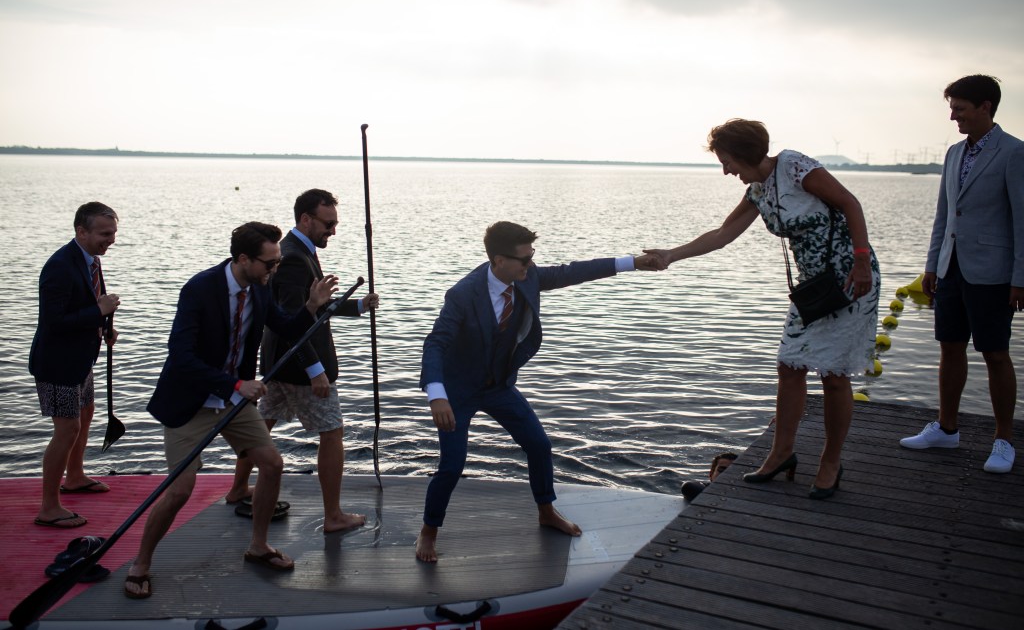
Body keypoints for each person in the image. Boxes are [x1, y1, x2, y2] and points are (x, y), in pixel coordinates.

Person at [645, 119, 880, 499]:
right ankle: (781, 453)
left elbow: (850, 203)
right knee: (789, 366)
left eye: (727, 161)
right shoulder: (758, 189)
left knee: (834, 376)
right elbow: (723, 234)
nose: (726, 170)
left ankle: (830, 462)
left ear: (744, 153)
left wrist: (862, 259)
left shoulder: (794, 166)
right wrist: (671, 254)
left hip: (851, 279)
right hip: (812, 289)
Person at [415, 221, 664, 562]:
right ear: (499, 261)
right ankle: (428, 532)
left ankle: (546, 511)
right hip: (458, 392)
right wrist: (437, 395)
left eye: (532, 256)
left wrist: (633, 262)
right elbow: (435, 343)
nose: (530, 264)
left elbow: (573, 272)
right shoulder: (463, 294)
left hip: (499, 386)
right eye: (524, 259)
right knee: (452, 465)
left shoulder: (527, 277)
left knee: (539, 445)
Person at [124, 222, 339, 599]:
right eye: (269, 264)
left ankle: (258, 546)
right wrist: (236, 385)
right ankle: (140, 564)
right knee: (180, 491)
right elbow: (181, 356)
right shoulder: (200, 289)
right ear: (243, 259)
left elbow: (287, 327)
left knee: (272, 464)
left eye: (277, 263)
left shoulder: (260, 287)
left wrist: (311, 305)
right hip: (192, 400)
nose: (274, 270)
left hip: (234, 401)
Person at [229, 189, 378, 532]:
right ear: (306, 219)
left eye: (336, 224)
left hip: (277, 362)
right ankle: (333, 516)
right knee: (332, 432)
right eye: (328, 224)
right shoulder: (295, 258)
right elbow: (295, 319)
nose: (333, 231)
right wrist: (316, 371)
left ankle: (238, 488)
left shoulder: (296, 250)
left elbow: (313, 305)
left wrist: (357, 306)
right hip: (299, 366)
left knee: (261, 425)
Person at [900, 75, 1023, 473]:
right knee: (949, 347)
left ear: (986, 106)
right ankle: (947, 428)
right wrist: (931, 265)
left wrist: (1020, 278)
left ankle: (1004, 440)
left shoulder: (1014, 152)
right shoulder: (954, 153)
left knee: (995, 353)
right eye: (952, 109)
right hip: (950, 268)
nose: (953, 117)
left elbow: (1022, 220)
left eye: (960, 109)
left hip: (994, 272)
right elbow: (944, 215)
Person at [30, 202, 121, 529]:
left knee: (85, 416)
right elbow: (54, 322)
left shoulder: (90, 260)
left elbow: (84, 306)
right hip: (57, 363)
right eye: (104, 234)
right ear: (81, 231)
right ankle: (49, 507)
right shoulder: (60, 266)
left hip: (81, 359)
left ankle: (75, 476)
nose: (110, 240)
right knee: (67, 429)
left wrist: (104, 327)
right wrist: (99, 311)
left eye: (113, 233)